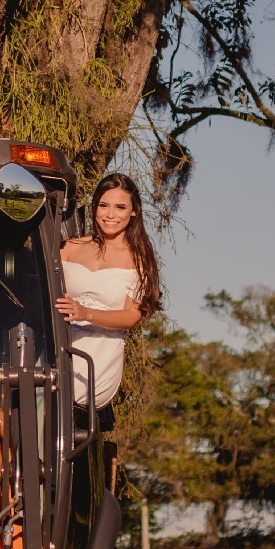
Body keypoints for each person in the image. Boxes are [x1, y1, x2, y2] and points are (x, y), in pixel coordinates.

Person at [56, 172, 161, 411]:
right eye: (104, 206)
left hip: (99, 352)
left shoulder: (139, 260)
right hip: (59, 343)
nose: (110, 215)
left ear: (133, 211)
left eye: (120, 207)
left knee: (76, 404)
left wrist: (85, 313)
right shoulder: (69, 248)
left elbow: (131, 316)